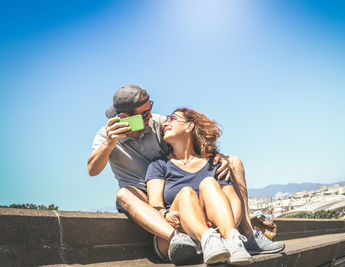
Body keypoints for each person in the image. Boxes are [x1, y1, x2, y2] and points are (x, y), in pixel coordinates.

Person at [87, 84, 284, 263]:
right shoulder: (106, 135)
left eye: (150, 109)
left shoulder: (158, 123)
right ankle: (179, 239)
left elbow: (190, 137)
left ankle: (246, 235)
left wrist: (219, 156)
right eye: (144, 114)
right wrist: (109, 144)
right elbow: (92, 170)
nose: (151, 116)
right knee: (124, 194)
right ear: (124, 117)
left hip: (173, 187)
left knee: (233, 162)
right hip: (144, 194)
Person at [146, 108, 252, 265]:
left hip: (218, 236)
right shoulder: (159, 164)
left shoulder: (214, 164)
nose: (166, 123)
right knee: (186, 193)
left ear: (189, 126)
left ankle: (231, 240)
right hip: (178, 237)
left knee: (209, 183)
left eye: (173, 118)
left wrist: (228, 228)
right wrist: (164, 214)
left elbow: (233, 201)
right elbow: (154, 204)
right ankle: (207, 239)